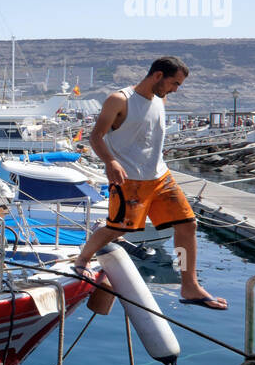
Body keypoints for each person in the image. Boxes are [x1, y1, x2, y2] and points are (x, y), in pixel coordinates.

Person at [74, 56, 227, 310]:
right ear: (158, 76)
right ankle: (82, 259)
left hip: (160, 176)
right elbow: (96, 136)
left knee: (188, 224)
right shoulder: (119, 100)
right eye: (174, 83)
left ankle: (189, 285)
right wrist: (110, 162)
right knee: (117, 229)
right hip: (130, 180)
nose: (175, 90)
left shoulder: (160, 99)